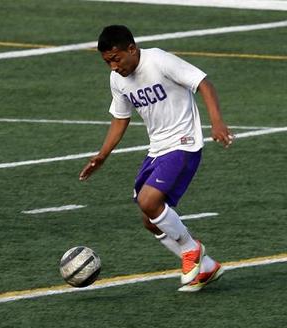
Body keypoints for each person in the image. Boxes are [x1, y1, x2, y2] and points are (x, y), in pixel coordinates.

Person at [79, 25, 233, 292]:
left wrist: (216, 122)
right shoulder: (117, 79)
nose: (113, 67)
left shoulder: (159, 60)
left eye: (116, 59)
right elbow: (120, 118)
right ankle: (206, 267)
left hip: (184, 144)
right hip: (158, 149)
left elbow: (204, 83)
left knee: (149, 200)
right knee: (150, 219)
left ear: (131, 49)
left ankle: (191, 250)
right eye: (107, 62)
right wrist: (103, 155)